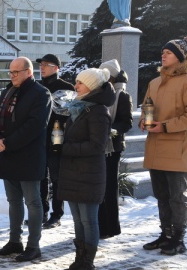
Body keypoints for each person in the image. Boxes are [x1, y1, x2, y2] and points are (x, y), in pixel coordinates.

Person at [140, 36, 187, 256]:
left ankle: (178, 238)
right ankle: (165, 234)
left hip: (178, 147)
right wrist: (144, 121)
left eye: (169, 52)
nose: (163, 55)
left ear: (181, 58)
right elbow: (147, 107)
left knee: (177, 196)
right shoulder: (154, 82)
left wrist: (164, 126)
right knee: (162, 195)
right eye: (163, 51)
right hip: (156, 145)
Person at [0, 56, 52, 262]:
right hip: (8, 155)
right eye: (10, 72)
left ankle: (33, 246)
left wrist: (7, 142)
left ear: (29, 72)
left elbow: (35, 126)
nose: (12, 76)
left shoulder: (41, 93)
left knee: (33, 202)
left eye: (16, 72)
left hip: (28, 156)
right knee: (13, 201)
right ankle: (14, 241)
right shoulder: (9, 91)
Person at [58, 68, 116, 270]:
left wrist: (66, 148)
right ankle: (79, 259)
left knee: (89, 220)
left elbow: (97, 146)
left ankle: (87, 262)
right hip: (73, 172)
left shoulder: (98, 111)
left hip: (89, 173)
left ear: (90, 86)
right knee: (77, 220)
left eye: (80, 83)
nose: (76, 86)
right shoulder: (79, 108)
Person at [36, 54, 75, 229]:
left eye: (46, 64)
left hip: (58, 135)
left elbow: (69, 113)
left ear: (56, 68)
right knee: (40, 177)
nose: (42, 67)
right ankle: (42, 212)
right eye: (41, 65)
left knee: (57, 176)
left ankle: (56, 214)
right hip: (39, 136)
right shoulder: (37, 86)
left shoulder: (66, 87)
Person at [97, 59, 133, 239]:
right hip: (98, 146)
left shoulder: (122, 96)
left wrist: (113, 130)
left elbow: (127, 122)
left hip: (112, 147)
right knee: (98, 187)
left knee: (109, 187)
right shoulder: (100, 92)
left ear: (111, 76)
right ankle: (98, 225)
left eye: (105, 74)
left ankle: (110, 227)